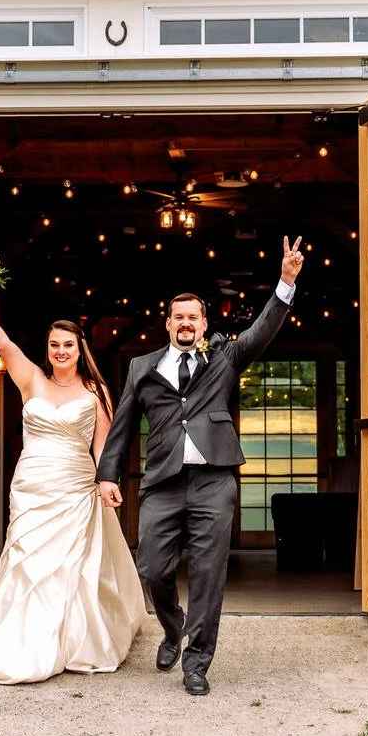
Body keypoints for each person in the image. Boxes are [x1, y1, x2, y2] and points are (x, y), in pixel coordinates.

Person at [96, 235, 305, 696]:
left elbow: (263, 331)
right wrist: (108, 474)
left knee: (209, 573)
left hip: (214, 482)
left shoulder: (225, 355)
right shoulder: (141, 367)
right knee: (151, 567)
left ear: (204, 323)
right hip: (163, 483)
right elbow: (124, 426)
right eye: (179, 317)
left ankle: (197, 662)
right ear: (167, 324)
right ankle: (173, 628)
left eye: (194, 317)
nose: (186, 323)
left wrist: (284, 283)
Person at [0, 292, 145, 684]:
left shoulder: (95, 392)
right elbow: (3, 341)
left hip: (75, 487)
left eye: (68, 345)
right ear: (47, 349)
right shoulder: (31, 379)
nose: (61, 351)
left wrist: (105, 480)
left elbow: (103, 446)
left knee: (71, 567)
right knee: (27, 560)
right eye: (54, 345)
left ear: (80, 349)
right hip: (32, 486)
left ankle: (72, 642)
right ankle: (20, 643)